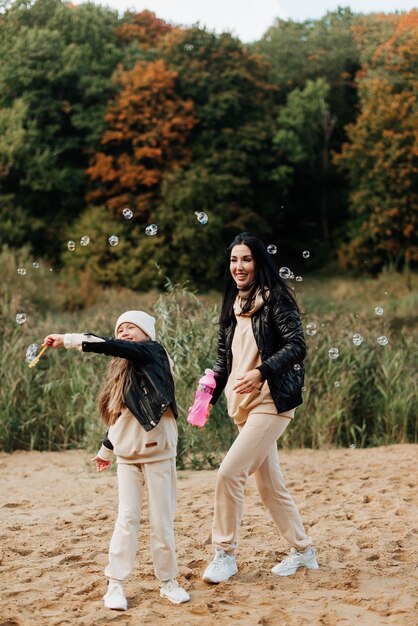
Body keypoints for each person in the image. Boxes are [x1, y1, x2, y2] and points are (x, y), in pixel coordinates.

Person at [43, 311, 190, 611]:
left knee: (162, 522)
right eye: (119, 328)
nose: (123, 331)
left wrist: (68, 339)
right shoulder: (121, 373)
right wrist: (106, 450)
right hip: (127, 457)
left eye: (130, 327)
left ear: (146, 333)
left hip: (159, 452)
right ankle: (116, 584)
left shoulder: (154, 353)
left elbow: (112, 346)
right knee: (127, 518)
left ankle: (168, 582)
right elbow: (121, 418)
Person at [201, 233, 318, 584]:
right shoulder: (232, 305)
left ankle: (224, 554)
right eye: (234, 260)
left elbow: (297, 346)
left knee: (229, 473)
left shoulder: (275, 300)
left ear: (258, 263)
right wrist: (206, 397)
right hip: (243, 405)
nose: (239, 266)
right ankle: (303, 551)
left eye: (246, 259)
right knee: (269, 487)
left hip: (272, 401)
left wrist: (261, 373)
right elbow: (224, 363)